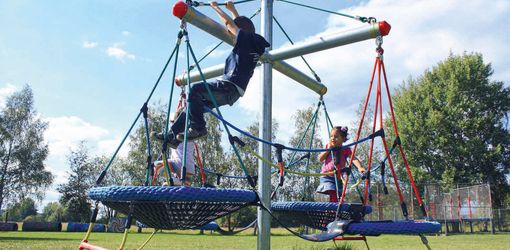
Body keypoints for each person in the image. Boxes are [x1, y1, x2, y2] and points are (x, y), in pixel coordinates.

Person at [167, 0, 270, 148]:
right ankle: (172, 137)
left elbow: (230, 25)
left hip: (228, 86)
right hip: (232, 92)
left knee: (195, 90)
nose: (232, 36)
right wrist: (233, 10)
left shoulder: (246, 39)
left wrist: (215, 7)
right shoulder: (253, 42)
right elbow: (240, 26)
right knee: (191, 106)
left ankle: (199, 127)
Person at [317, 126, 366, 202]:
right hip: (327, 176)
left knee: (339, 195)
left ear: (343, 139)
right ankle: (332, 208)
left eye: (336, 137)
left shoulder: (345, 149)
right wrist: (328, 149)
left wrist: (360, 167)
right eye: (331, 136)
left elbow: (353, 158)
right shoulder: (328, 147)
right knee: (331, 192)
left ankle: (336, 207)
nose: (333, 138)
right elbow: (320, 159)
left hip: (339, 178)